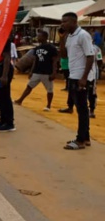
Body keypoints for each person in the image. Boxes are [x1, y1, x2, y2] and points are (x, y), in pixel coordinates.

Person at [60, 12, 95, 150]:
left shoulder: (83, 35)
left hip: (81, 77)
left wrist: (84, 77)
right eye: (62, 21)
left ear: (74, 22)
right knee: (81, 109)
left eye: (66, 21)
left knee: (82, 109)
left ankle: (80, 140)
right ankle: (85, 138)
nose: (63, 24)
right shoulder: (69, 36)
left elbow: (90, 56)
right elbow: (63, 55)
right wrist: (62, 38)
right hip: (73, 75)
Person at [14, 30, 58, 110]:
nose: (37, 37)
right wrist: (31, 71)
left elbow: (54, 61)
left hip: (47, 72)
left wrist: (54, 72)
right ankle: (20, 100)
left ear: (44, 37)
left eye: (39, 36)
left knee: (49, 90)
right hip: (37, 71)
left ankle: (48, 105)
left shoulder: (51, 48)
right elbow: (35, 60)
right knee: (29, 86)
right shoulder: (37, 48)